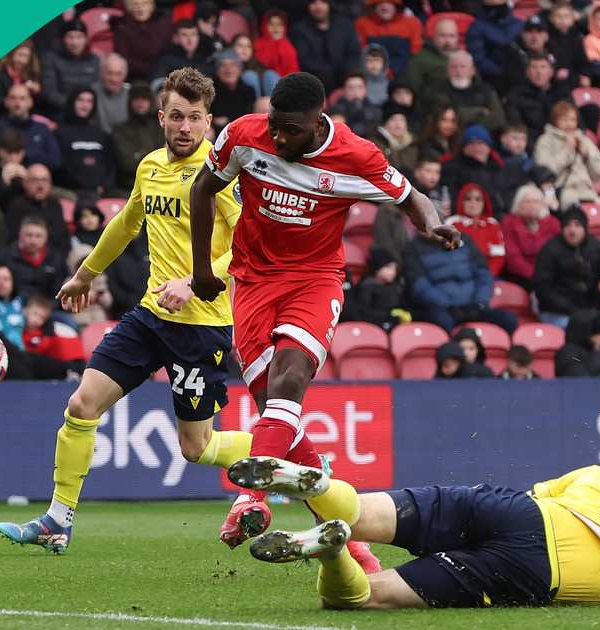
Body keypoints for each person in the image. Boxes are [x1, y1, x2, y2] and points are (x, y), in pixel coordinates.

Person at [188, 72, 462, 550]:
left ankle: (250, 498)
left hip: (315, 281)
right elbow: (201, 190)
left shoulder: (358, 157)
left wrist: (434, 223)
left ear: (319, 123)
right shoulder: (243, 136)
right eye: (274, 124)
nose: (277, 136)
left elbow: (410, 197)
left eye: (289, 129)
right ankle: (354, 548)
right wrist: (203, 272)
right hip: (252, 283)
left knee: (288, 380)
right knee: (279, 420)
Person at [0, 68, 258, 557]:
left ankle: (281, 454)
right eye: (176, 116)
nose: (184, 127)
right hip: (151, 315)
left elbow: (247, 246)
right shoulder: (150, 166)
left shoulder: (222, 175)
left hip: (202, 326)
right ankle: (58, 519)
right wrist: (87, 273)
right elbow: (127, 222)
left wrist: (194, 280)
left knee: (197, 448)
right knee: (81, 405)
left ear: (209, 122)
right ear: (161, 117)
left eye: (194, 119)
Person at [238, 458, 600, 609]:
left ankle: (318, 492)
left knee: (363, 510)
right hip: (537, 570)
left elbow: (538, 494)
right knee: (369, 595)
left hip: (521, 514)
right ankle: (328, 553)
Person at [534, 206, 600, 329]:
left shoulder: (596, 246)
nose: (572, 230)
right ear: (562, 228)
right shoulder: (549, 250)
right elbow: (543, 289)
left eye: (577, 225)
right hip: (556, 311)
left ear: (585, 228)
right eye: (568, 225)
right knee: (581, 330)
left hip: (589, 310)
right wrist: (574, 311)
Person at [535, 101, 600, 207]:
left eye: (572, 120)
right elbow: (545, 172)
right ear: (555, 121)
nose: (569, 124)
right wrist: (567, 151)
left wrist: (586, 155)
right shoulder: (545, 141)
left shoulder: (583, 140)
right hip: (562, 192)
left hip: (587, 192)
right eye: (564, 120)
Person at [54, 88, 116, 199]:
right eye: (80, 100)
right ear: (72, 102)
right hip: (70, 192)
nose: (85, 105)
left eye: (89, 101)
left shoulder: (102, 134)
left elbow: (111, 164)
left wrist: (105, 186)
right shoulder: (60, 133)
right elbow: (60, 165)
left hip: (100, 192)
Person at [0, 215, 70, 302]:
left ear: (46, 237)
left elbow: (62, 290)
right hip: (11, 307)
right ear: (20, 235)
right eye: (29, 235)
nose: (33, 241)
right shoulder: (4, 257)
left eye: (38, 236)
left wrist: (47, 308)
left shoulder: (56, 260)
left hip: (47, 309)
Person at [289, 0, 362, 93]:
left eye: (323, 2)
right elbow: (304, 60)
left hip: (344, 78)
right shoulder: (299, 30)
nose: (318, 7)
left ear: (329, 4)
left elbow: (354, 52)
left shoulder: (345, 25)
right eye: (313, 3)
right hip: (314, 82)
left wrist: (347, 74)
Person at [501, 184, 560, 291]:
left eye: (536, 201)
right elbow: (513, 259)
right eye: (527, 201)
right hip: (523, 277)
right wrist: (538, 276)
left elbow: (561, 254)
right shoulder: (509, 223)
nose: (532, 205)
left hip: (551, 276)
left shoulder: (553, 223)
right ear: (518, 204)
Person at [4, 164, 71, 256]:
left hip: (55, 259)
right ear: (25, 183)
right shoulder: (16, 206)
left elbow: (63, 238)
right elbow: (11, 242)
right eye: (34, 180)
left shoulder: (55, 205)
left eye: (44, 180)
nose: (40, 185)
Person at [0, 85, 61, 171]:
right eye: (13, 98)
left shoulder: (42, 129)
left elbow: (54, 161)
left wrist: (24, 156)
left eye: (22, 98)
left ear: (30, 102)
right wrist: (35, 155)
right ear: (6, 102)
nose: (17, 103)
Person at [40, 19, 100, 117]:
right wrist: (74, 105)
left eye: (79, 37)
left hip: (88, 110)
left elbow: (97, 90)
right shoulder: (51, 58)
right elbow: (50, 93)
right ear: (63, 39)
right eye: (70, 37)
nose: (75, 42)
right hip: (60, 111)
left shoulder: (94, 60)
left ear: (86, 39)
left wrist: (84, 106)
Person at [506, 53, 572, 142]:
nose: (539, 72)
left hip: (563, 140)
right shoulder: (516, 94)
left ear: (551, 72)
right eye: (534, 67)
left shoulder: (561, 91)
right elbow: (517, 126)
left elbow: (575, 118)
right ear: (527, 72)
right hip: (533, 143)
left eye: (543, 67)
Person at [438, 51, 507, 134]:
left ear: (472, 71)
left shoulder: (486, 90)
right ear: (447, 71)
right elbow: (446, 119)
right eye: (453, 67)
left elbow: (498, 120)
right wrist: (479, 111)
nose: (458, 71)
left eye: (463, 67)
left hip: (482, 137)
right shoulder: (439, 90)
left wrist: (468, 122)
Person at [341, 248, 408, 332]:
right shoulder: (367, 286)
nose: (392, 272)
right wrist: (389, 316)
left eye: (395, 268)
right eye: (388, 267)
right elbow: (362, 312)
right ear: (378, 267)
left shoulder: (396, 287)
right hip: (372, 327)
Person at [446, 183, 505, 276]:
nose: (473, 204)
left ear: (484, 203)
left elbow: (498, 257)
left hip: (487, 275)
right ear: (462, 201)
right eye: (468, 199)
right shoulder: (452, 223)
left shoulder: (492, 224)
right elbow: (448, 254)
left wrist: (488, 276)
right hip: (458, 275)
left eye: (478, 199)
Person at [466, 0, 524, 93]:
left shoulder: (518, 24)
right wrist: (501, 72)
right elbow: (478, 59)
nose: (496, 10)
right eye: (492, 6)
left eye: (500, 5)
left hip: (520, 77)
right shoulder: (476, 27)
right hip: (492, 79)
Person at [354, 0, 423, 76]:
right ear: (374, 6)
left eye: (389, 3)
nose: (385, 7)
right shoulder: (362, 23)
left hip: (404, 74)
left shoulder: (412, 23)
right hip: (372, 74)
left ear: (396, 6)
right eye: (380, 3)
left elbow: (416, 52)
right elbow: (360, 52)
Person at [112, 83, 160, 190]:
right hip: (129, 186)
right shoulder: (120, 130)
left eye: (144, 99)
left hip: (159, 185)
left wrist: (140, 155)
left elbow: (168, 160)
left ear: (150, 102)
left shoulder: (160, 128)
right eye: (136, 99)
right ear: (130, 102)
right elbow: (127, 163)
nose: (140, 103)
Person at [554, 309, 600, 377]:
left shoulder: (599, 356)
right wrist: (596, 352)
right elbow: (584, 380)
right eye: (599, 334)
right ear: (586, 333)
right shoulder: (568, 355)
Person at [112, 0, 173, 83]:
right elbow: (124, 60)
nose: (140, 8)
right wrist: (150, 68)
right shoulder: (122, 29)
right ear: (129, 8)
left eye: (144, 3)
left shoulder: (162, 25)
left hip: (162, 75)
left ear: (151, 7)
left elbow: (168, 53)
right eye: (135, 4)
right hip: (135, 77)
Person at [401, 17, 459, 102]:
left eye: (452, 36)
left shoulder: (464, 58)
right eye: (443, 36)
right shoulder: (420, 59)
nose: (447, 41)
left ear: (457, 38)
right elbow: (414, 89)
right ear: (434, 37)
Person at [0, 40, 42, 118]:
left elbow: (38, 104)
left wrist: (36, 92)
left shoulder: (31, 76)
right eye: (20, 55)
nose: (22, 60)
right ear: (12, 54)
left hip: (27, 116)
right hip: (3, 116)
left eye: (26, 56)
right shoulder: (0, 76)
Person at [254, 10, 300, 79]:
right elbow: (262, 64)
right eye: (271, 24)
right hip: (263, 80)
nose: (276, 28)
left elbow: (293, 70)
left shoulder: (288, 46)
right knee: (270, 75)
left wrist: (279, 43)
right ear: (264, 26)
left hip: (284, 83)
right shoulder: (258, 43)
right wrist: (273, 43)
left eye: (280, 25)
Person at [231, 35, 279, 100]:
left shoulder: (257, 65)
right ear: (231, 48)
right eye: (240, 45)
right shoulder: (225, 64)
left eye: (248, 46)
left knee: (270, 74)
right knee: (249, 75)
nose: (244, 49)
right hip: (241, 102)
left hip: (267, 102)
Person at [92, 54, 130, 134]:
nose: (113, 79)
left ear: (125, 75)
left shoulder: (131, 93)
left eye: (118, 74)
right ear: (101, 73)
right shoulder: (91, 93)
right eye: (109, 73)